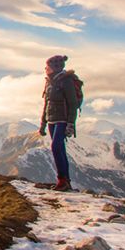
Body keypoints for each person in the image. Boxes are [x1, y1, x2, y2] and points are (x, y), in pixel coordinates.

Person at [38, 54, 78, 191]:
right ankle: (65, 181)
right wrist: (43, 124)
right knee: (60, 149)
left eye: (47, 67)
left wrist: (70, 123)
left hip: (62, 120)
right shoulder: (49, 82)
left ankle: (63, 180)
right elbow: (46, 103)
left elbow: (72, 103)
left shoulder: (66, 81)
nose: (45, 69)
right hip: (52, 120)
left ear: (54, 67)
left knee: (56, 147)